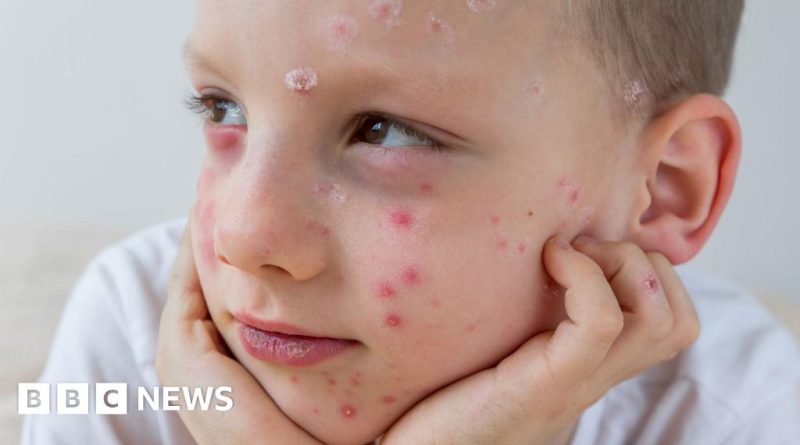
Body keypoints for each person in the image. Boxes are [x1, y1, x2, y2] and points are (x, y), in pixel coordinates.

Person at [22, 1, 800, 444]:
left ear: (662, 188)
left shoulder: (741, 411)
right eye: (223, 108)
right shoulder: (131, 336)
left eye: (385, 130)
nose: (241, 236)